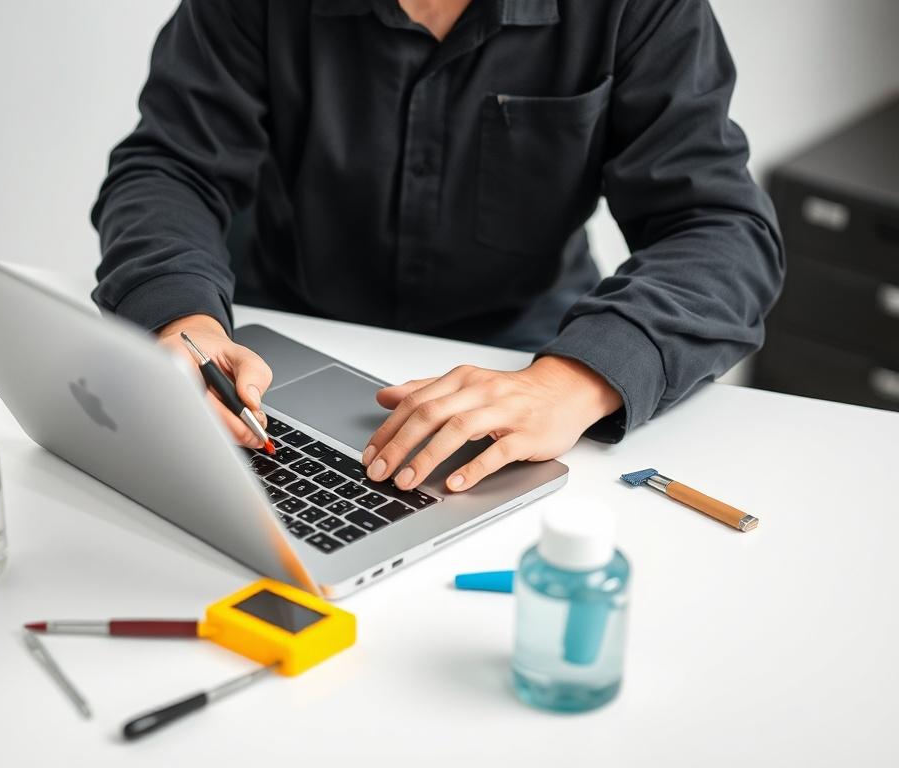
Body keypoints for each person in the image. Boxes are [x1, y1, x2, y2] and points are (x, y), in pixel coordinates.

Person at [91, 0, 783, 494]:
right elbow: (172, 167)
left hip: (524, 355)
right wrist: (181, 321)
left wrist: (575, 381)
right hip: (280, 349)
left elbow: (719, 228)